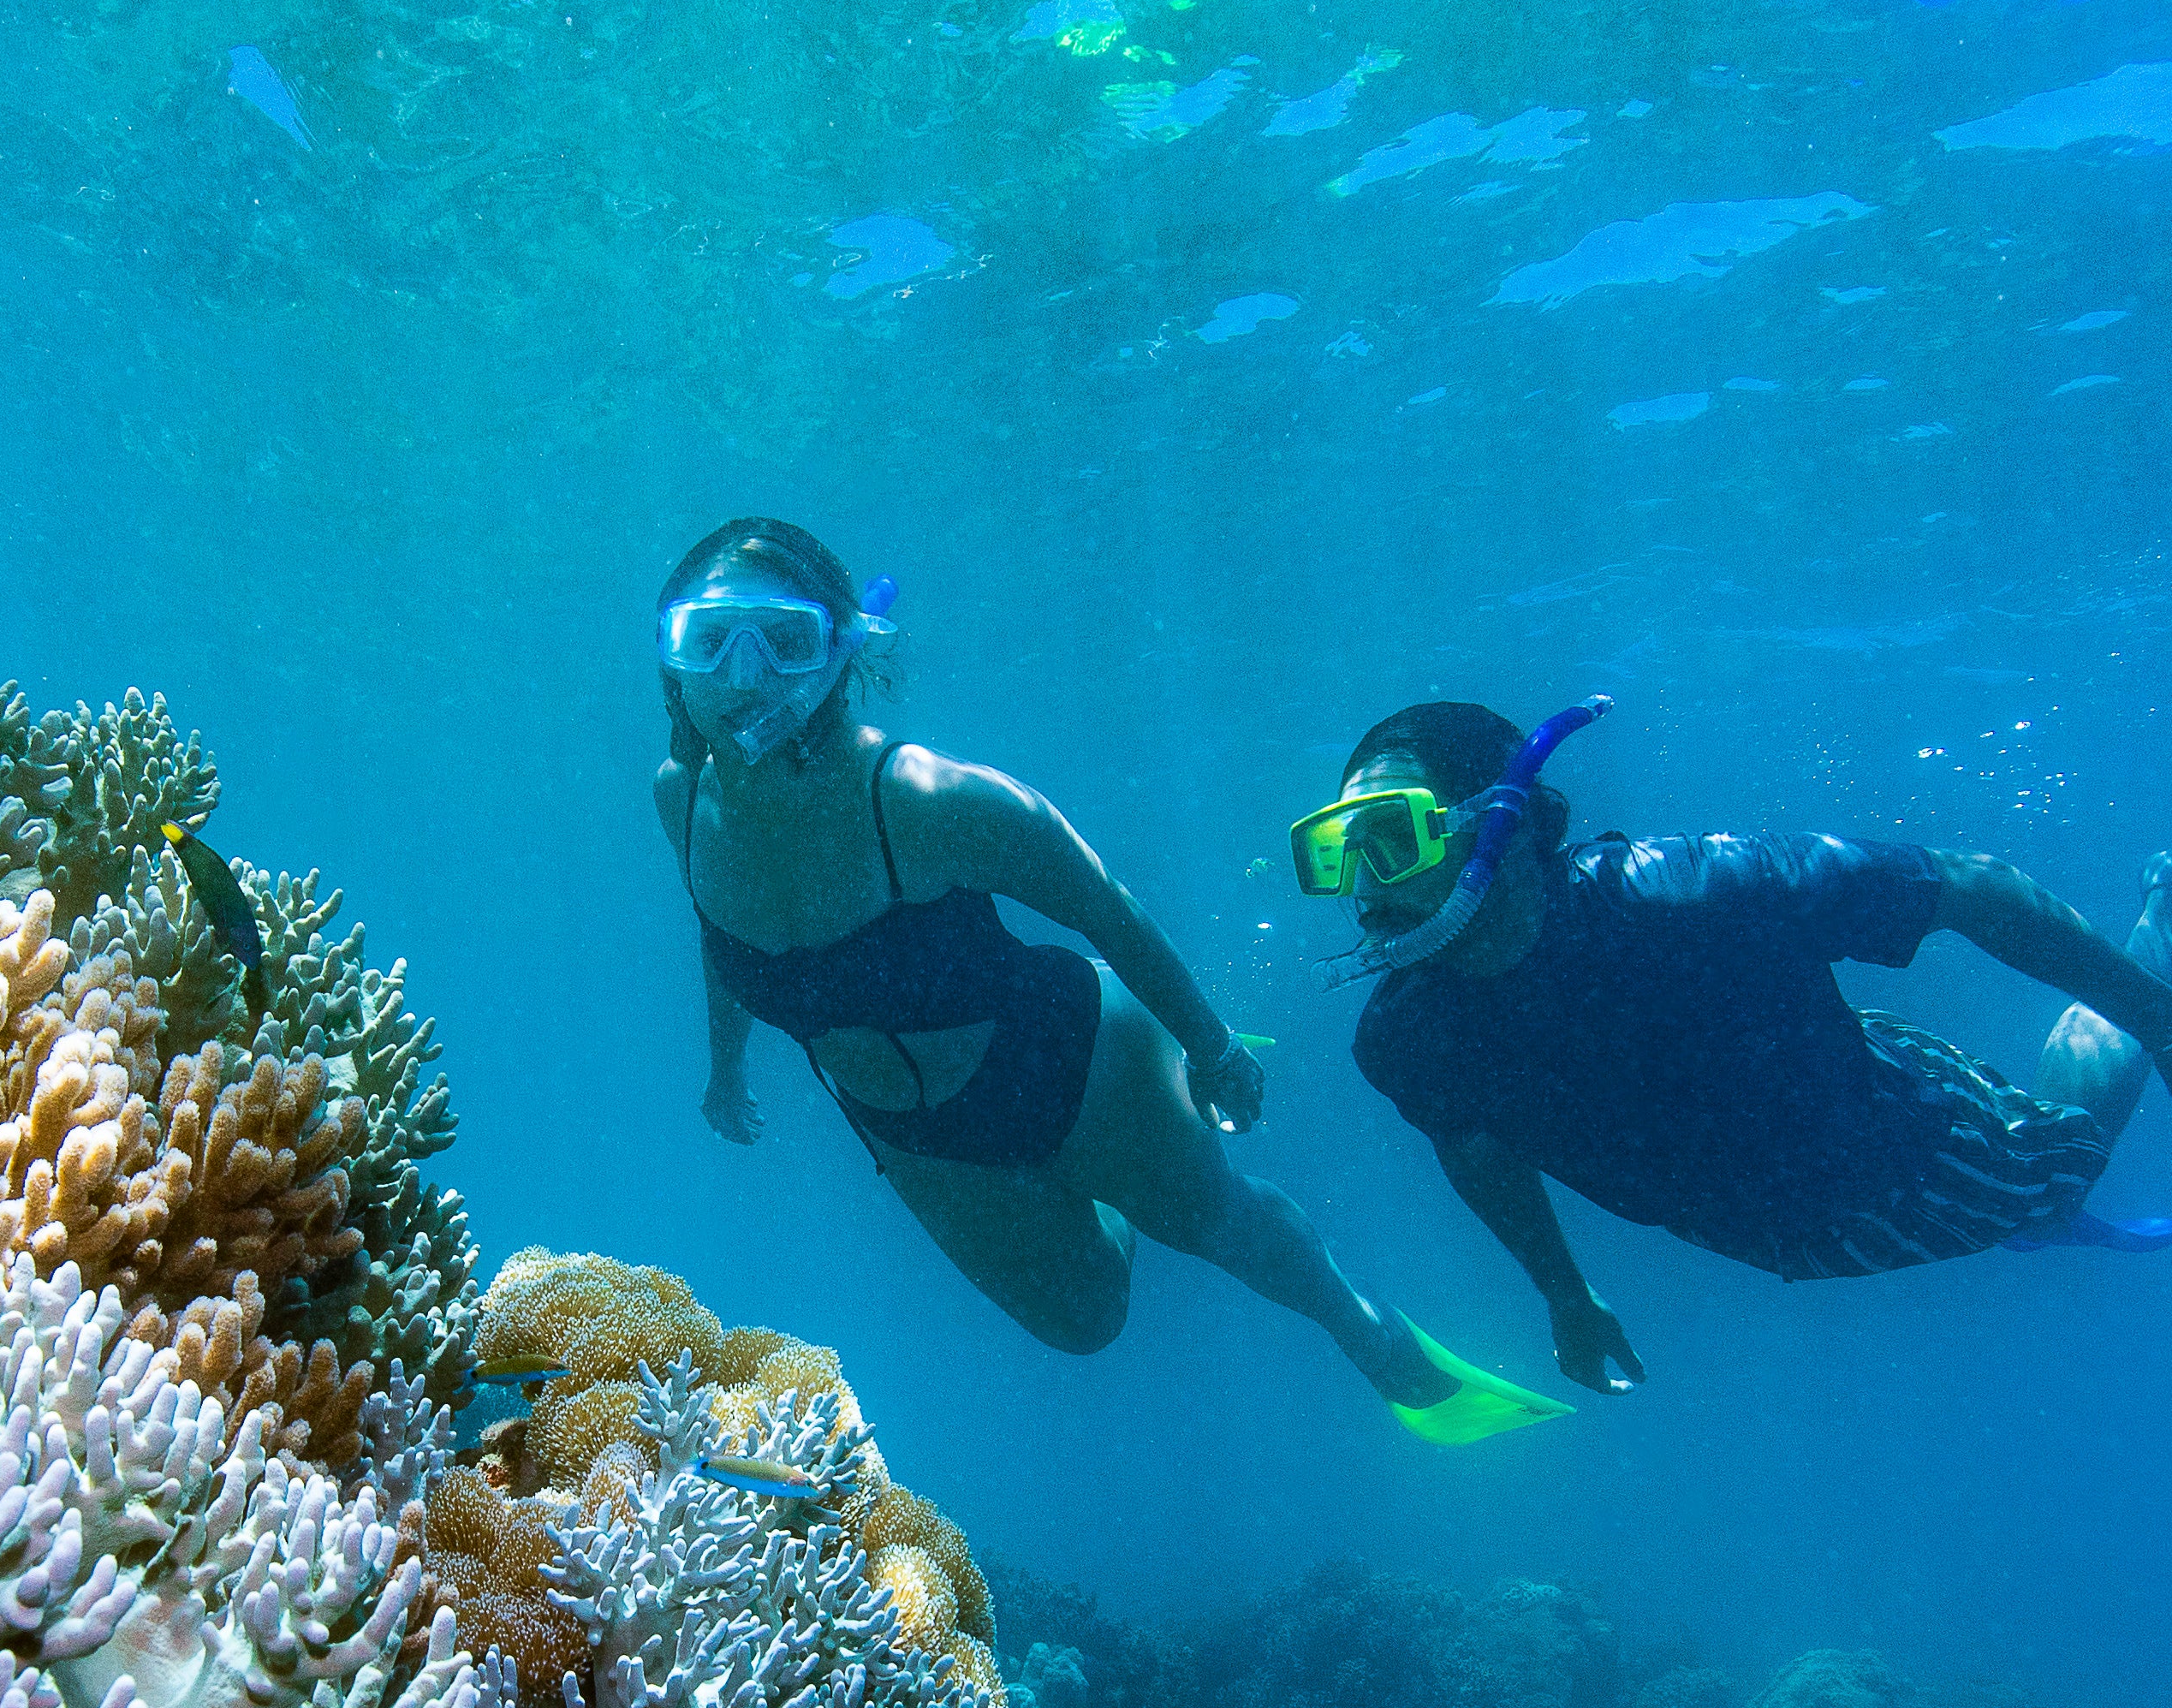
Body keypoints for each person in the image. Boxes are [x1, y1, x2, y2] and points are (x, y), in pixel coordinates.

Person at [657, 523, 1553, 1436]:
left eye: (786, 640)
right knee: (1084, 1324)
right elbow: (719, 927)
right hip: (905, 1125)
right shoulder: (681, 801)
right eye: (709, 640)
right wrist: (724, 1068)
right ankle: (1104, 1185)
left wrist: (1211, 1047)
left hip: (1069, 1059)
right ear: (671, 658)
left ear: (838, 651)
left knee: (1216, 1224)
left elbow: (1109, 911)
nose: (744, 677)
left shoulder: (929, 801)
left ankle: (1375, 1341)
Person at [1304, 697, 2172, 1394]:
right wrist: (1563, 1292)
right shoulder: (1407, 1037)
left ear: (1502, 824)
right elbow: (1473, 1140)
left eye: (1390, 836)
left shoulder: (1693, 892)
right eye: (1338, 851)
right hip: (1777, 1226)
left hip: (1912, 1158)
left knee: (2053, 1181)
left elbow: (1971, 885)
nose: (1366, 889)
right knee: (2039, 1208)